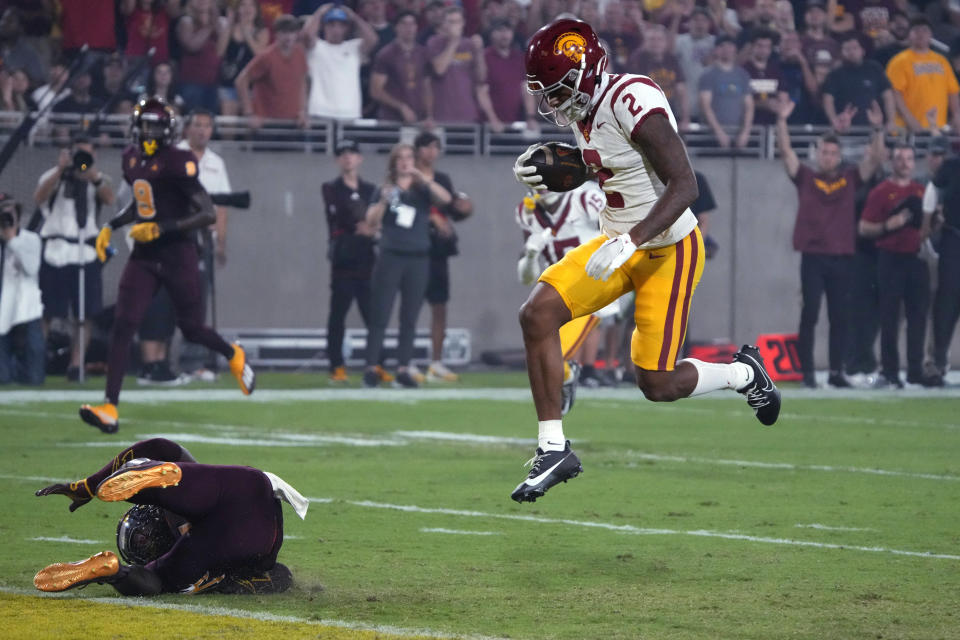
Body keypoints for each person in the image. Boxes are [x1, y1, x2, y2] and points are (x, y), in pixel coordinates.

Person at [512, 18, 781, 504]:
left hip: (668, 250)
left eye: (558, 89)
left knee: (657, 384)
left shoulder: (632, 98)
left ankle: (744, 374)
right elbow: (611, 169)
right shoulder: (584, 106)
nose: (552, 101)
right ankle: (554, 448)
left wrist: (631, 240)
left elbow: (685, 185)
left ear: (589, 71)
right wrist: (558, 170)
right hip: (619, 242)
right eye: (545, 92)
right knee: (537, 313)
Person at [79, 97, 256, 434]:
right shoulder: (131, 157)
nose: (147, 131)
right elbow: (142, 202)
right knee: (123, 324)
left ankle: (233, 354)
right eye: (143, 124)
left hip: (178, 253)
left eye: (153, 126)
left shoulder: (179, 161)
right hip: (145, 255)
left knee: (191, 328)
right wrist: (110, 226)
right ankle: (110, 408)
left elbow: (206, 213)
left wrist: (164, 228)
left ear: (166, 131)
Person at [33, 437, 304, 595]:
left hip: (249, 543)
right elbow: (161, 444)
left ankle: (113, 570)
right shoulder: (180, 508)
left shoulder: (177, 559)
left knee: (160, 579)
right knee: (179, 471)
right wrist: (90, 486)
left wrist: (117, 575)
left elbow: (281, 576)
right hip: (249, 490)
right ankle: (151, 476)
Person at [774, 99, 884, 387]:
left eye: (833, 153)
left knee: (840, 317)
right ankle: (808, 374)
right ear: (818, 154)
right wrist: (782, 121)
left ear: (839, 156)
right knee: (809, 315)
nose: (828, 156)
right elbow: (786, 151)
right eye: (824, 152)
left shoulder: (850, 178)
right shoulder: (806, 177)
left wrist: (877, 128)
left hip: (843, 257)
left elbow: (874, 159)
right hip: (813, 256)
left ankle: (836, 373)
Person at [515, 180, 611, 411]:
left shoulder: (585, 198)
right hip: (554, 290)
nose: (543, 184)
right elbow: (526, 278)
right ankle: (567, 376)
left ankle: (567, 379)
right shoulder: (527, 212)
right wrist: (530, 256)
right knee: (545, 358)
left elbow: (621, 228)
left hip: (591, 285)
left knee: (552, 356)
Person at [362, 143, 451, 389]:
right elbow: (370, 221)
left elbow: (445, 199)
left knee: (409, 317)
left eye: (409, 157)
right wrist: (382, 201)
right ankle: (371, 367)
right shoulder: (385, 189)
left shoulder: (422, 191)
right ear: (393, 163)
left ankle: (403, 367)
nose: (405, 162)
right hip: (391, 256)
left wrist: (423, 178)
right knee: (380, 314)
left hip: (418, 257)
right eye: (400, 158)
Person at [34, 135, 115, 381]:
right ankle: (36, 362)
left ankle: (76, 365)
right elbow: (39, 197)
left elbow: (110, 199)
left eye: (86, 154)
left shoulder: (98, 179)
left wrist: (93, 176)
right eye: (78, 153)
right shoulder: (53, 176)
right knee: (47, 311)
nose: (81, 159)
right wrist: (61, 169)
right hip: (56, 250)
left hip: (85, 252)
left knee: (85, 314)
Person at [858, 144, 937, 387]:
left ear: (915, 163)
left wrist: (934, 223)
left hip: (916, 258)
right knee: (890, 317)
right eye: (900, 158)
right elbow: (863, 228)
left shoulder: (922, 191)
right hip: (890, 258)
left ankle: (915, 370)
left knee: (918, 317)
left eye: (909, 158)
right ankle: (890, 371)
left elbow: (930, 226)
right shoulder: (881, 191)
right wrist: (886, 226)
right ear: (892, 162)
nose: (904, 163)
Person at [413, 131, 473, 383]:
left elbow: (453, 207)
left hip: (438, 249)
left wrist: (465, 207)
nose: (431, 152)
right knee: (410, 307)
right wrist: (430, 217)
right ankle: (407, 360)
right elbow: (401, 208)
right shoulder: (409, 178)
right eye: (427, 147)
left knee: (439, 307)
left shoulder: (442, 178)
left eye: (435, 147)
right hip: (413, 248)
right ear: (417, 150)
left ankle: (435, 362)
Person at [321, 139, 382, 384]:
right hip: (344, 260)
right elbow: (345, 215)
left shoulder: (371, 189)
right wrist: (367, 221)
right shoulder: (331, 188)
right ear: (338, 160)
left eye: (352, 153)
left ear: (360, 158)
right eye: (343, 154)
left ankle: (376, 363)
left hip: (367, 258)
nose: (348, 158)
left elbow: (379, 216)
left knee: (373, 315)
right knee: (338, 314)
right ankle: (336, 364)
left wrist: (371, 225)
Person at [301, 3, 378, 120]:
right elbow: (306, 35)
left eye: (340, 25)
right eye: (331, 25)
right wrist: (320, 13)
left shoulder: (353, 47)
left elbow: (373, 39)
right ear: (324, 27)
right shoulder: (317, 47)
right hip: (320, 110)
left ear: (346, 28)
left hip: (349, 111)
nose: (336, 29)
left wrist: (354, 17)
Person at [886, 16, 960, 134]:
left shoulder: (942, 60)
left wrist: (957, 117)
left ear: (931, 35)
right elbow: (895, 94)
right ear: (909, 35)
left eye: (925, 30)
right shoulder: (899, 61)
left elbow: (953, 91)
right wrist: (911, 121)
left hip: (937, 127)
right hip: (907, 130)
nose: (920, 34)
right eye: (916, 30)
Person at [0, 193, 44, 385]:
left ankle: (21, 368)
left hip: (26, 306)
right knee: (3, 378)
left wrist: (12, 240)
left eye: (9, 213)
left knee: (34, 378)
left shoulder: (30, 239)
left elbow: (31, 268)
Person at [234, 13, 308, 128]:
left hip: (293, 123)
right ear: (276, 34)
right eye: (284, 32)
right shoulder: (266, 56)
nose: (288, 36)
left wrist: (302, 110)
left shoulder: (300, 54)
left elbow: (302, 82)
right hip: (268, 123)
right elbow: (241, 81)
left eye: (291, 32)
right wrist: (249, 113)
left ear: (296, 34)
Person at [822, 32, 896, 133]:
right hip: (845, 130)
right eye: (847, 49)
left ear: (862, 51)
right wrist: (833, 120)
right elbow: (828, 99)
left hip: (873, 129)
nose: (851, 52)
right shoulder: (835, 74)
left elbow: (887, 95)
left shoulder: (874, 68)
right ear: (841, 53)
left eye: (855, 48)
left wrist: (891, 120)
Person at [930, 141, 960, 380]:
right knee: (947, 300)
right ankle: (939, 359)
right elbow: (933, 191)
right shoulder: (951, 166)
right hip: (954, 237)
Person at [369, 11, 433, 124]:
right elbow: (375, 90)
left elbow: (427, 86)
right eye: (404, 24)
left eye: (412, 24)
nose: (409, 28)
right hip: (391, 120)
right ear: (396, 27)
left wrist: (429, 115)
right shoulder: (386, 54)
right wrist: (401, 107)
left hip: (418, 119)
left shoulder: (423, 53)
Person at [698, 34, 754, 149]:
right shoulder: (708, 75)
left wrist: (745, 132)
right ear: (716, 50)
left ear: (735, 49)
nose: (726, 49)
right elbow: (705, 106)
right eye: (722, 46)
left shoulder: (743, 75)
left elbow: (749, 106)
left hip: (738, 132)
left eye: (730, 46)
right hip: (712, 135)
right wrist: (718, 132)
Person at [216, 0, 269, 118]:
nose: (247, 9)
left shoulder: (262, 32)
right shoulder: (229, 28)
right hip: (229, 83)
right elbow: (219, 52)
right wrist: (229, 24)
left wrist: (246, 31)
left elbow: (259, 55)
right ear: (238, 9)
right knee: (228, 128)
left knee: (248, 128)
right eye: (243, 5)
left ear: (256, 10)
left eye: (251, 5)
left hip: (252, 86)